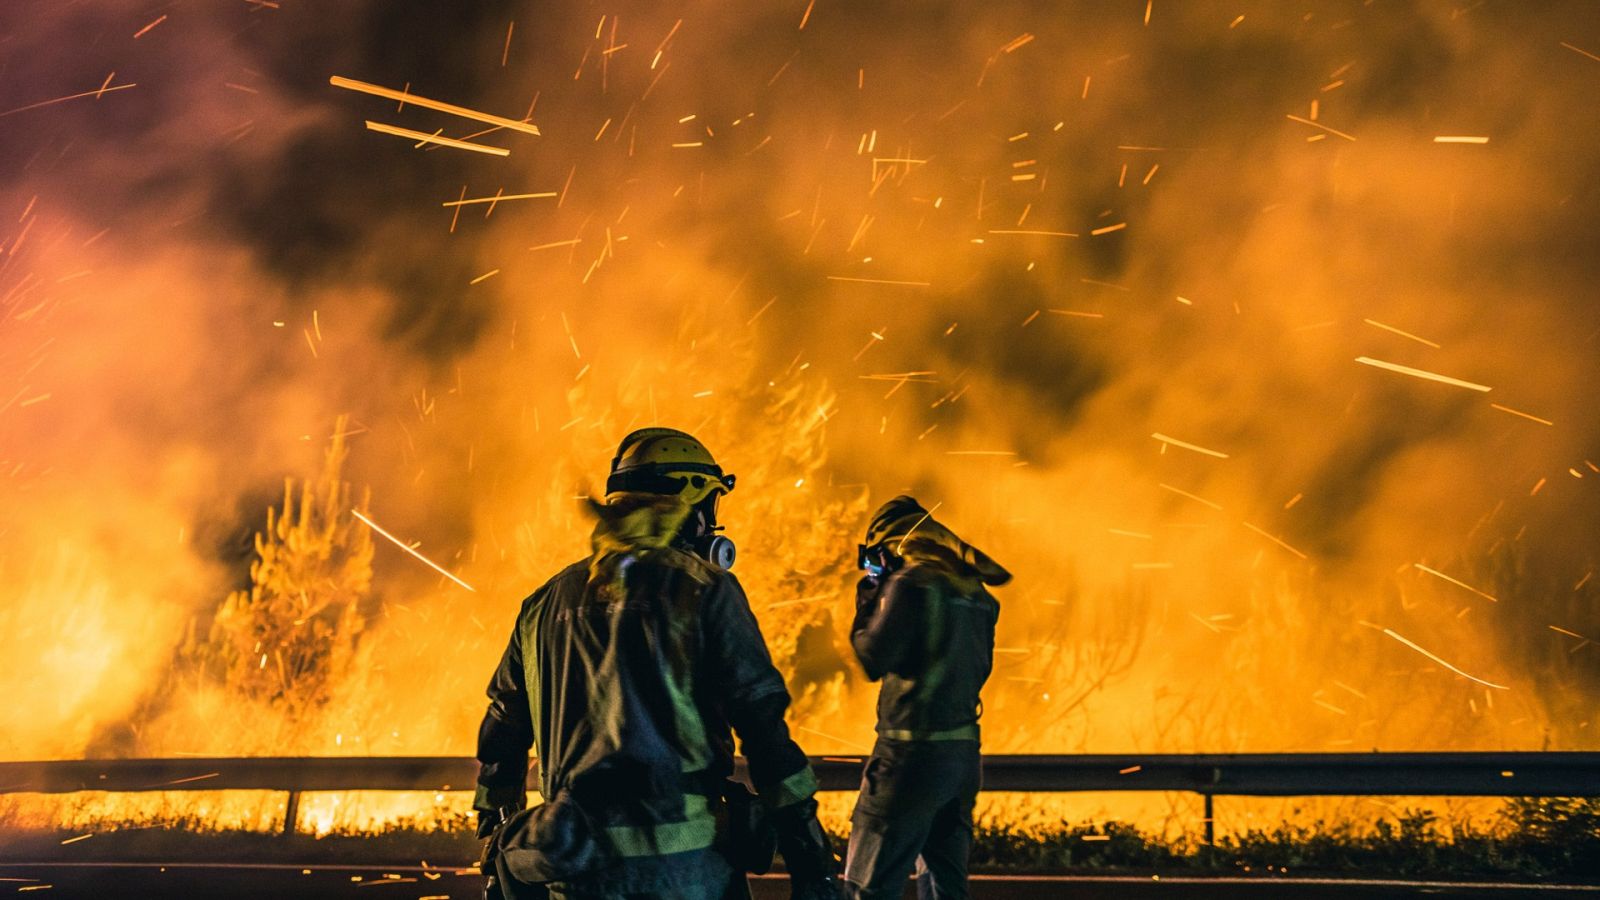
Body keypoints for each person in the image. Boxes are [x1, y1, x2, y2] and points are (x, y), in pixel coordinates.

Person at [473, 427, 844, 900]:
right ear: (690, 507)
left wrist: (498, 837)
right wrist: (813, 866)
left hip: (575, 872)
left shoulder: (544, 604)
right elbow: (766, 735)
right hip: (687, 874)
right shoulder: (704, 589)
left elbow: (501, 734)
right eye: (710, 510)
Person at [844, 496, 1010, 900]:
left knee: (867, 886)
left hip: (908, 760)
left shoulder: (910, 584)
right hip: (962, 758)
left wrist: (867, 606)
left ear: (890, 547)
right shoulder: (977, 594)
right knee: (944, 889)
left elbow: (870, 659)